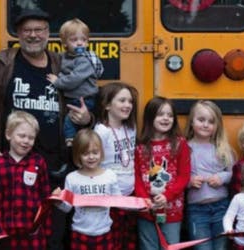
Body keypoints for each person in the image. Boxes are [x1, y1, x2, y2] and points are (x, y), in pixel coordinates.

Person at [0, 9, 93, 249]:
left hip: (55, 168)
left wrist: (87, 117)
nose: (33, 35)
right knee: (12, 237)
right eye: (27, 30)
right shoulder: (0, 65)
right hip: (12, 169)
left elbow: (84, 98)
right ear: (18, 34)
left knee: (52, 235)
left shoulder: (61, 63)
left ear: (48, 34)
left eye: (39, 30)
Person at [0, 111, 51, 249]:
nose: (26, 141)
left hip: (33, 232)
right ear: (8, 134)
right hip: (6, 232)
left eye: (31, 138)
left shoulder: (38, 162)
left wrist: (46, 228)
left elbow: (46, 197)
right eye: (21, 136)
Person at [134, 96, 191, 249]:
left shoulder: (179, 143)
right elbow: (137, 177)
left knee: (171, 245)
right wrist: (144, 200)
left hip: (172, 210)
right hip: (147, 211)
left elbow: (184, 176)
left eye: (170, 115)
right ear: (150, 117)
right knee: (148, 246)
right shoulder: (140, 146)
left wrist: (167, 196)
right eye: (160, 114)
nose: (166, 118)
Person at [53, 128, 121, 249]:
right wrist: (58, 201)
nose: (91, 157)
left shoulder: (110, 176)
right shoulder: (72, 178)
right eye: (85, 153)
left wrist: (142, 204)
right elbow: (67, 208)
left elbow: (119, 201)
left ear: (101, 153)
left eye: (95, 152)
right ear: (78, 155)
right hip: (80, 233)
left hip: (104, 232)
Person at [183, 100, 235, 250]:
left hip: (221, 207)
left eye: (211, 122)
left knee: (220, 247)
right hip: (197, 210)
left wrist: (222, 178)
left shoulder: (222, 148)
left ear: (217, 125)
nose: (206, 125)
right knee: (202, 247)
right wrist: (189, 181)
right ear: (191, 122)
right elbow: (178, 176)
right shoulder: (185, 148)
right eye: (201, 120)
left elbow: (232, 173)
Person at [93, 81, 138, 249]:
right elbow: (94, 164)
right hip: (111, 198)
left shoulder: (131, 129)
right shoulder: (101, 131)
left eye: (130, 101)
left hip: (130, 196)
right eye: (122, 100)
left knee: (129, 240)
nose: (128, 105)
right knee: (112, 242)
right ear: (106, 105)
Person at [46, 18, 103, 146]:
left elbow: (73, 79)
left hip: (84, 98)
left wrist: (58, 81)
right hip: (73, 98)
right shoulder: (64, 56)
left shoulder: (84, 60)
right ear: (65, 43)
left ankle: (70, 140)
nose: (79, 43)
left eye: (83, 40)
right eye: (74, 40)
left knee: (70, 120)